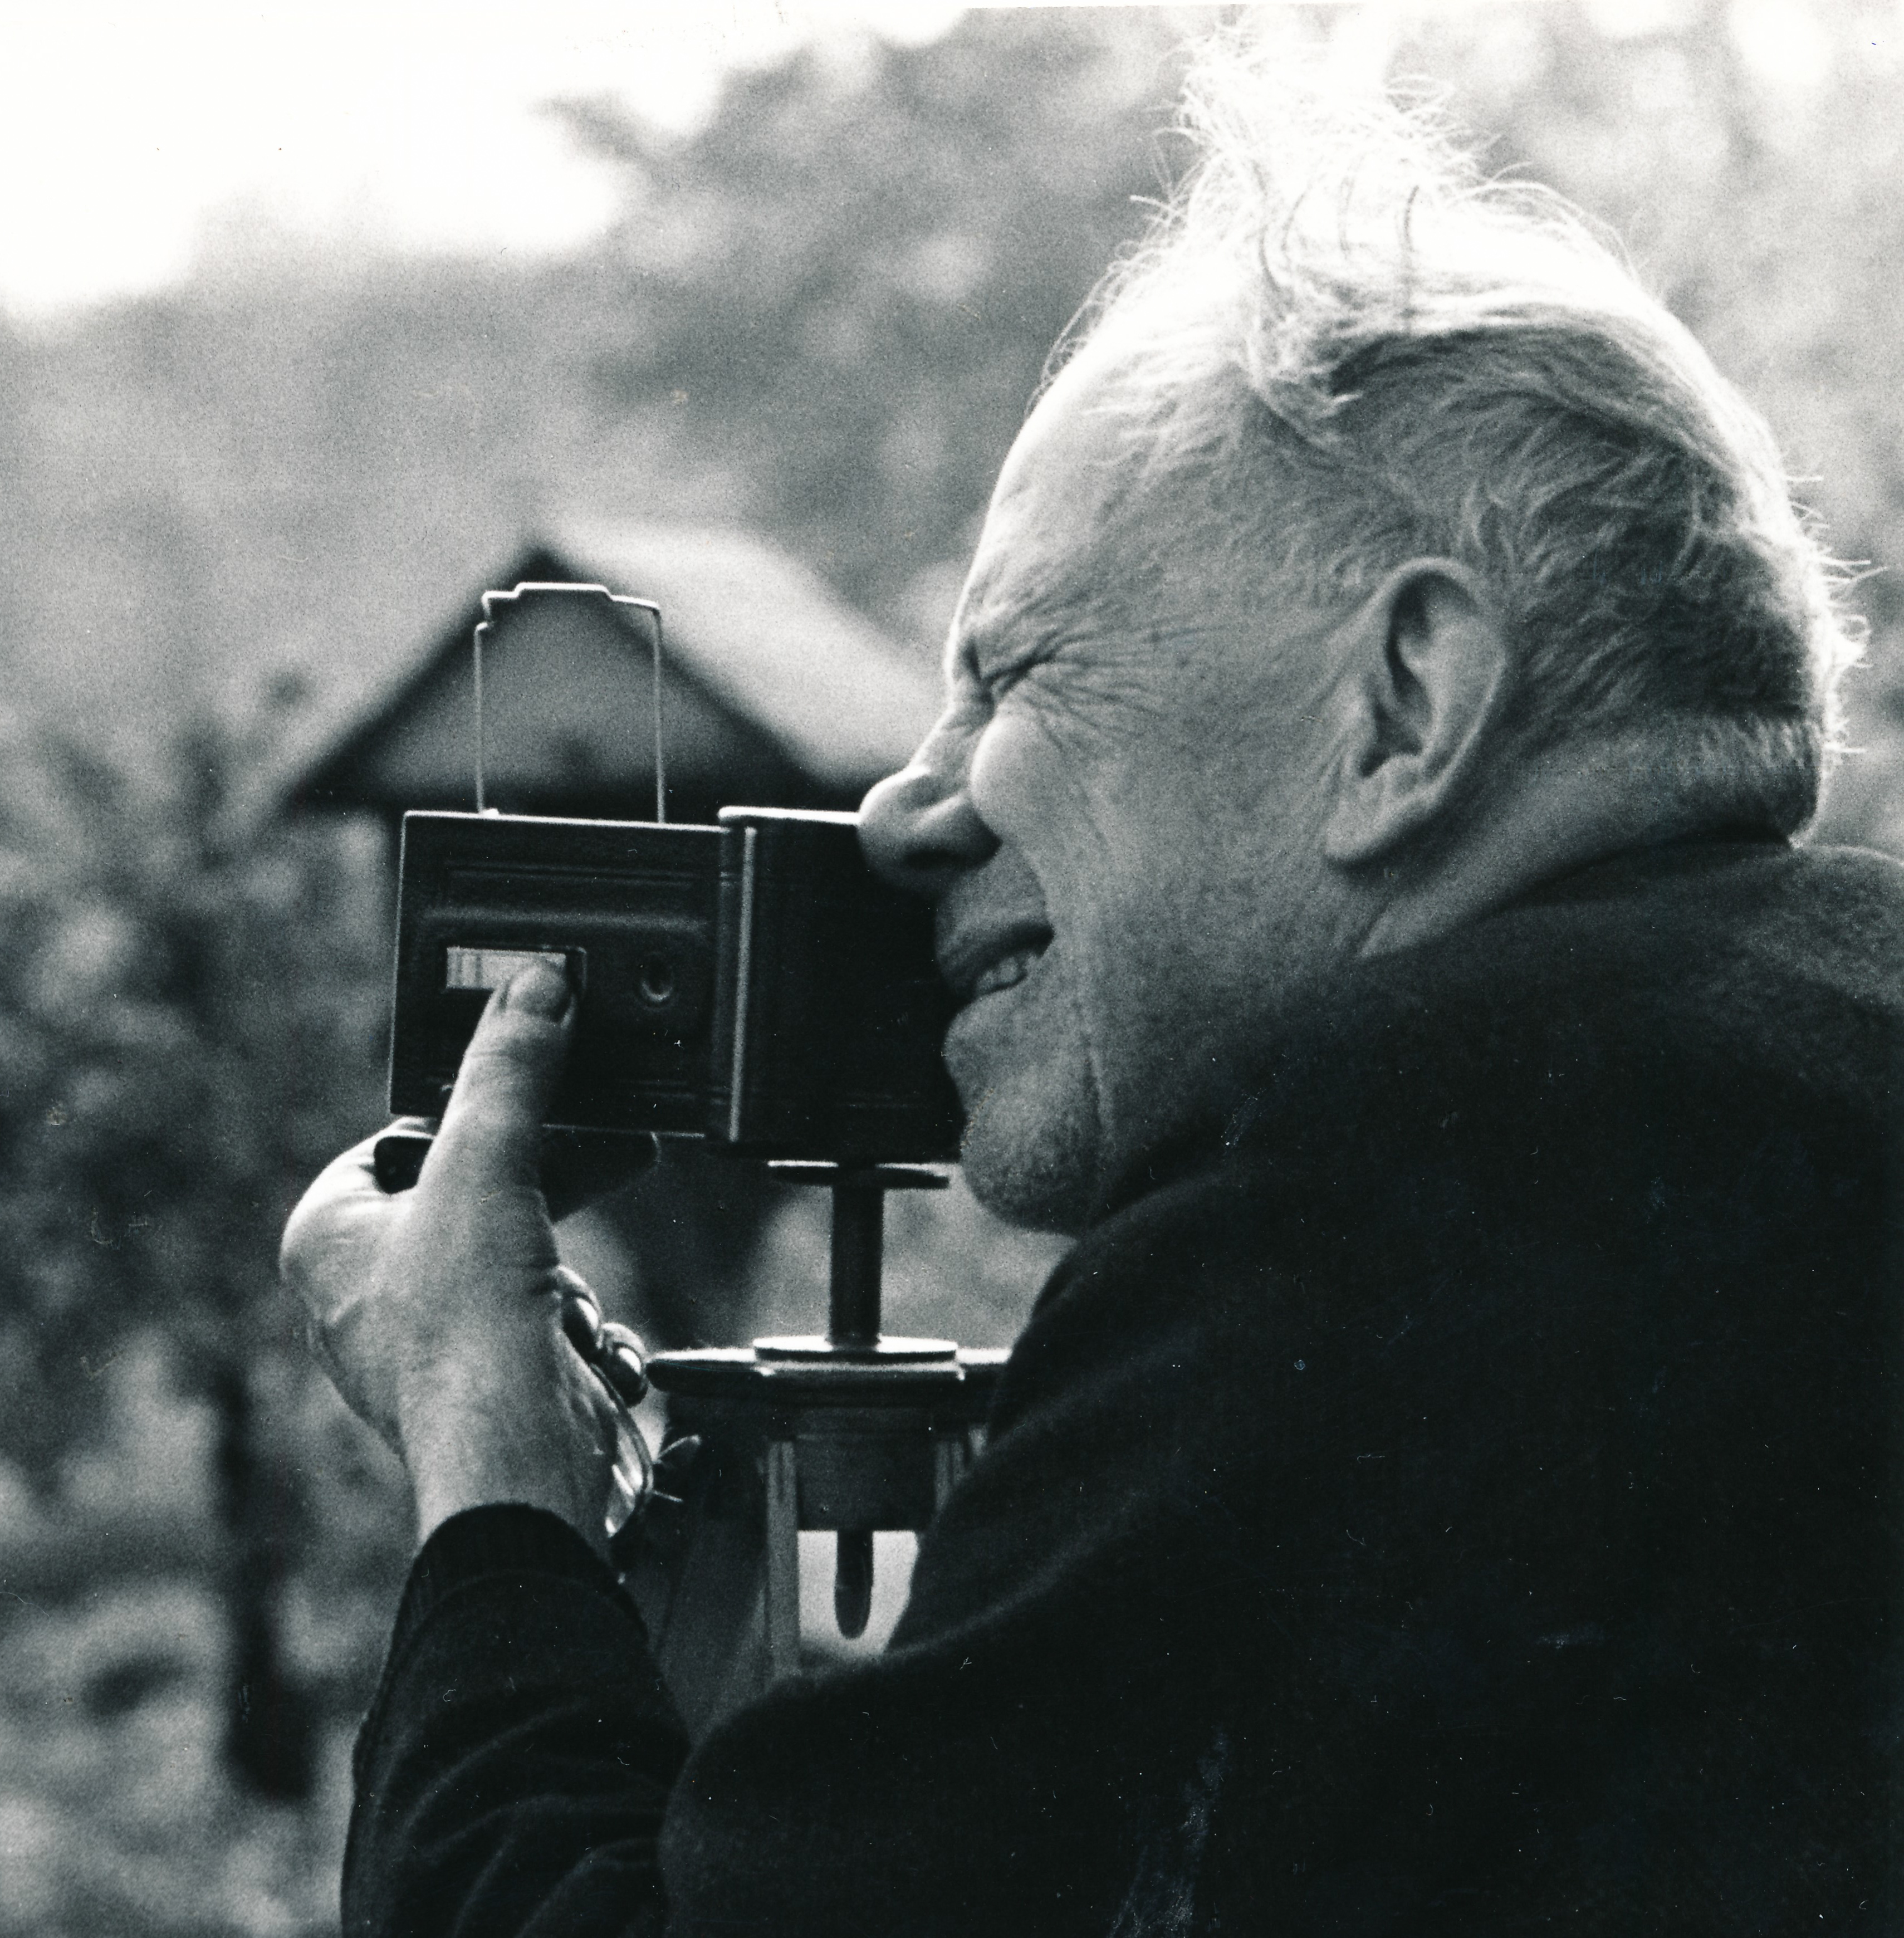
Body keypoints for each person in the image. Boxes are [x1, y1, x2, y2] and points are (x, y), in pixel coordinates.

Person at [282, 36, 1900, 1936]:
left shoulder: (1383, 1175)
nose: (901, 811)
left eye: (1014, 675)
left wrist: (487, 1449)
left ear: (1405, 705)